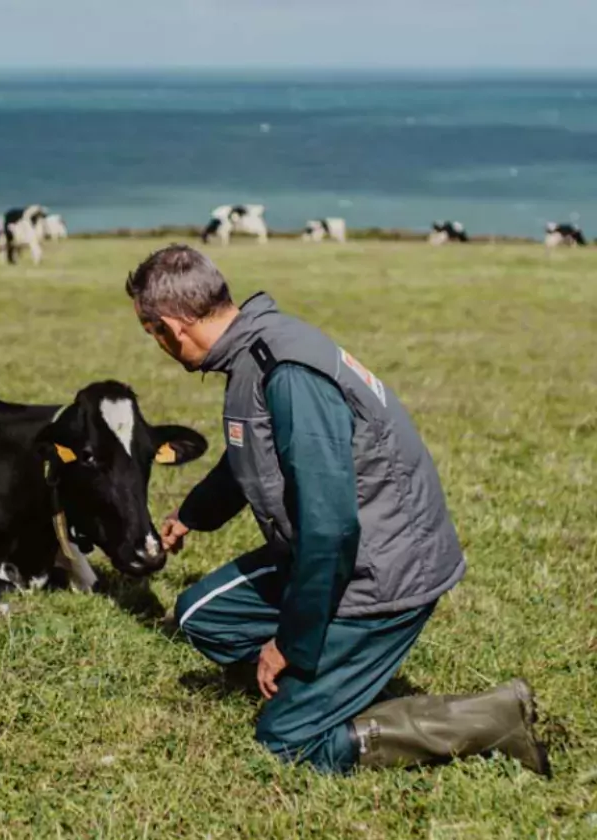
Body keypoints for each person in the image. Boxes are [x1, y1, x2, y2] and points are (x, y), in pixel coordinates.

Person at [125, 244, 548, 776]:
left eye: (152, 334)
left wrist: (289, 644)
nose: (158, 345)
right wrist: (191, 515)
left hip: (381, 576)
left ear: (170, 326)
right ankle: (317, 685)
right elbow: (250, 456)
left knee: (286, 742)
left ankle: (491, 717)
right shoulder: (256, 346)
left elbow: (330, 529)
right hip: (340, 552)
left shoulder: (286, 373)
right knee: (200, 617)